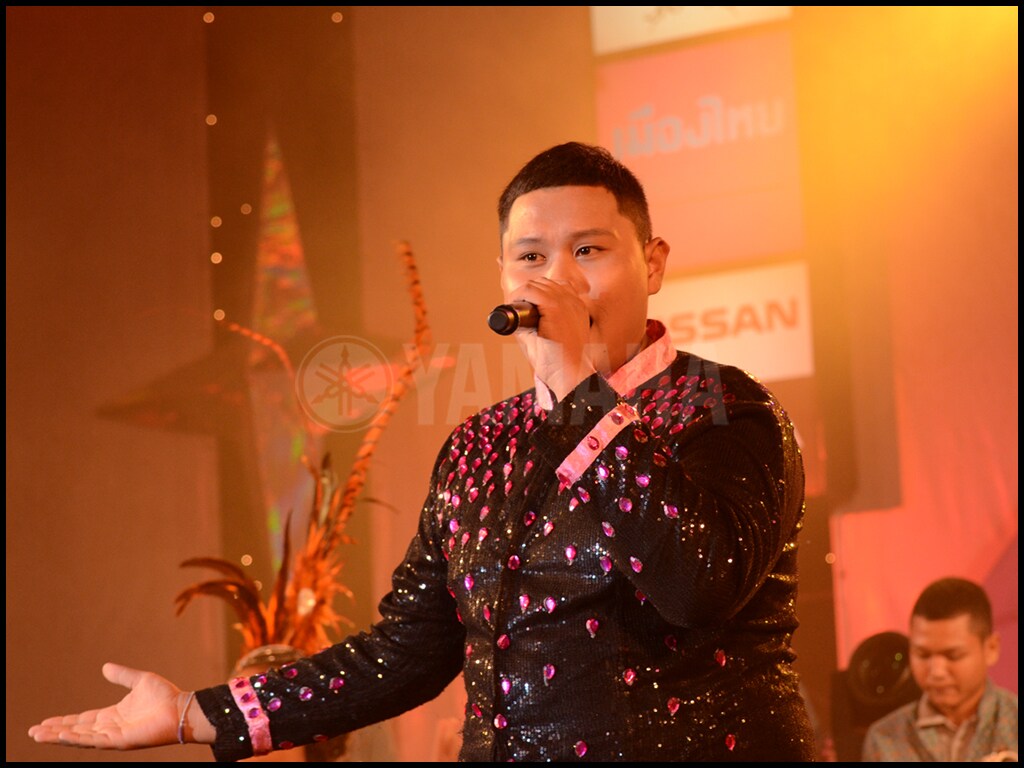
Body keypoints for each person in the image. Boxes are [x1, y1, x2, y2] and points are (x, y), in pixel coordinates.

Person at [28, 141, 816, 761]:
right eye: (531, 258)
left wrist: (580, 387)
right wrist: (195, 714)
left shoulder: (724, 410)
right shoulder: (479, 444)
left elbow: (697, 583)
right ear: (503, 278)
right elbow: (407, 651)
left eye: (588, 251)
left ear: (654, 262)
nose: (556, 283)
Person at [860, 577, 1017, 762]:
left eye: (953, 655)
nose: (936, 672)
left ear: (991, 648)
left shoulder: (1012, 723)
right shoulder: (884, 739)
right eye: (923, 655)